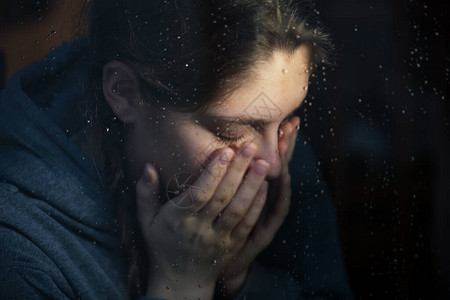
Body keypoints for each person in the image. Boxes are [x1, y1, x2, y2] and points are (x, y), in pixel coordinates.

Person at [0, 0, 353, 299]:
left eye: (286, 120)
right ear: (122, 92)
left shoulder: (280, 158)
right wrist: (182, 282)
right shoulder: (20, 250)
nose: (274, 164)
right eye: (231, 130)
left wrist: (237, 278)